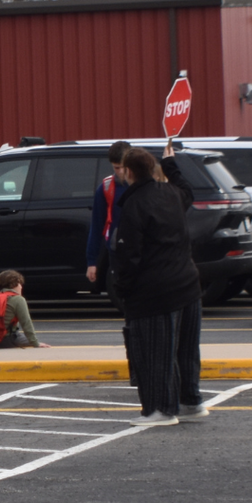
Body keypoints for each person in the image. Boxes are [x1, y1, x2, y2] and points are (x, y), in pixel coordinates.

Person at [112, 144, 203, 427]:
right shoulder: (173, 194)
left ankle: (160, 409)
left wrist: (122, 289)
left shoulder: (134, 204)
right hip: (188, 284)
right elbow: (188, 189)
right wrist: (171, 162)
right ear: (152, 169)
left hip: (154, 291)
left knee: (155, 353)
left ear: (128, 172)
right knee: (186, 351)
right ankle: (191, 401)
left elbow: (130, 254)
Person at [85, 141, 131, 288]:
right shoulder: (106, 188)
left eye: (124, 167)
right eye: (116, 168)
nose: (121, 172)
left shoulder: (145, 185)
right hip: (118, 252)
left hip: (143, 250)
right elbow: (97, 225)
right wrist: (92, 261)